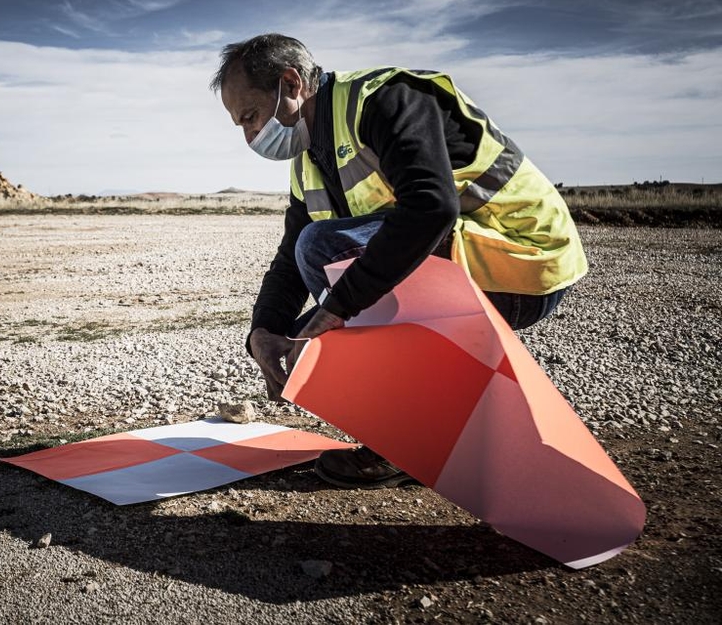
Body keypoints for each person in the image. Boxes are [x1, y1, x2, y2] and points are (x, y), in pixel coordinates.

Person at [210, 33, 588, 489]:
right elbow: (289, 256)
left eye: (251, 117)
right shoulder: (307, 155)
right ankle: (422, 432)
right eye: (242, 126)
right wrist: (265, 329)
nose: (252, 136)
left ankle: (418, 439)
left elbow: (431, 207)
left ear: (292, 84)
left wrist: (337, 309)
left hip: (522, 260)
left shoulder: (384, 101)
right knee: (303, 344)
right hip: (457, 265)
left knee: (322, 259)